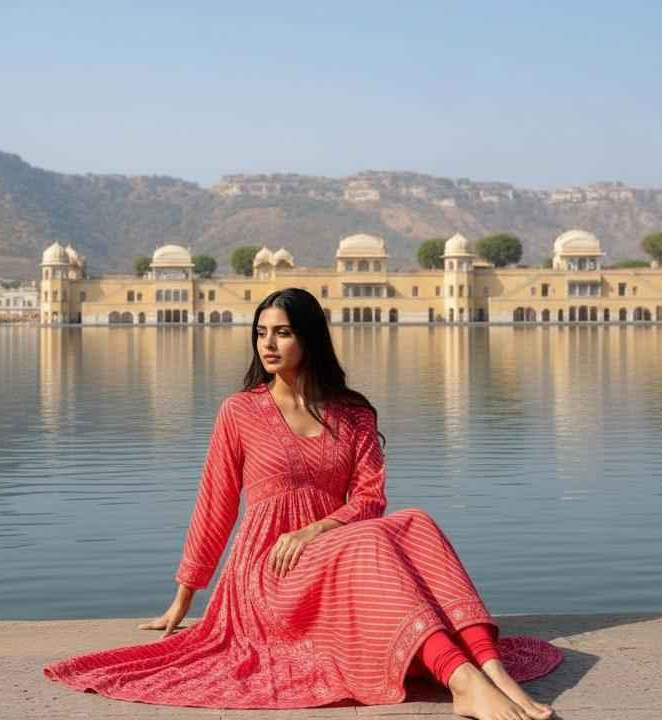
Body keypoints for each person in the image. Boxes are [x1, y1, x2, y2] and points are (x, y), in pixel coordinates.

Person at [44, 288, 561, 718]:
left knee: (416, 521)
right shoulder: (240, 412)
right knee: (366, 545)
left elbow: (370, 501)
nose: (268, 343)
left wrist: (313, 531)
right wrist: (182, 601)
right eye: (261, 332)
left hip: (332, 556)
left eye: (283, 332)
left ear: (309, 339)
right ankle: (463, 679)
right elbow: (215, 505)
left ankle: (492, 671)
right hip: (271, 571)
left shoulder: (352, 414)